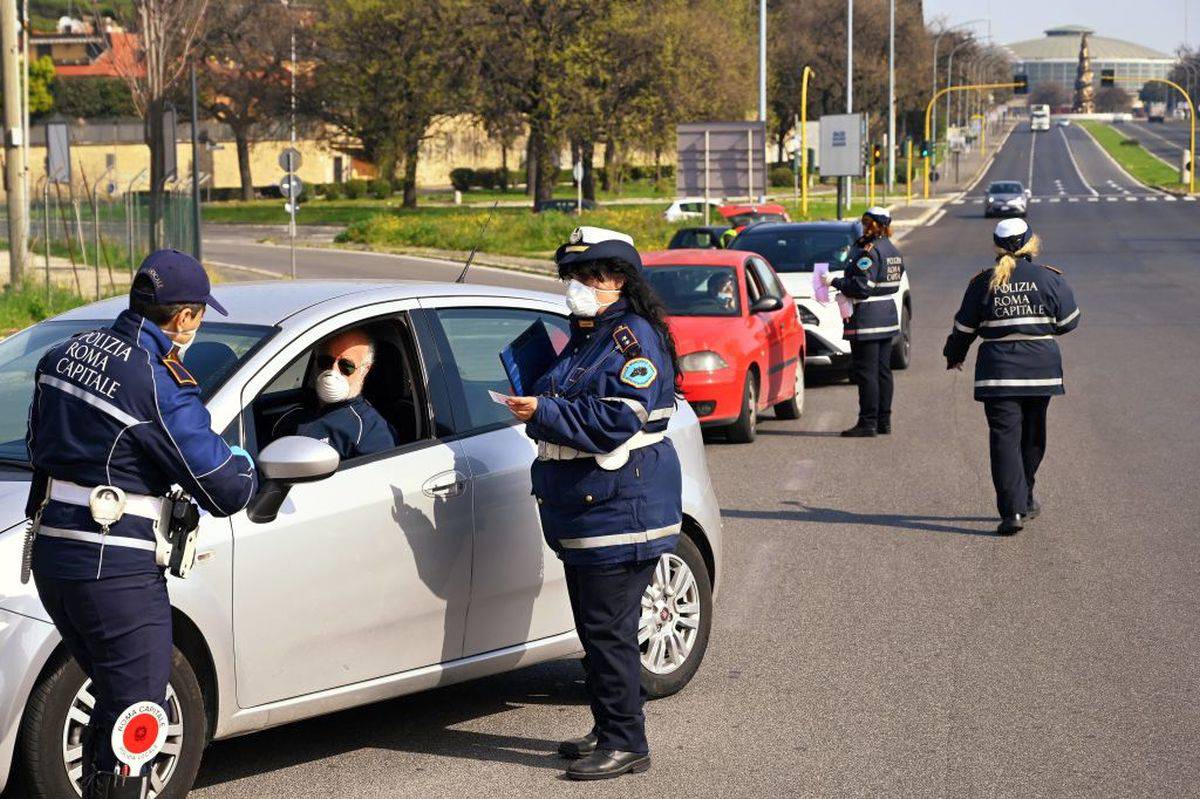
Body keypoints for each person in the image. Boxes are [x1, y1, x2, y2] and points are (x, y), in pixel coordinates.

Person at [24, 249, 258, 798]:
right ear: (184, 318)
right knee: (140, 716)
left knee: (111, 695)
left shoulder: (61, 355)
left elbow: (39, 445)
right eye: (199, 317)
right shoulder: (158, 380)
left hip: (55, 556)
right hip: (116, 564)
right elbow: (222, 486)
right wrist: (248, 467)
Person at [504, 226, 682, 781]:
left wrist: (542, 411)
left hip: (619, 509)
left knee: (609, 632)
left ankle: (628, 742)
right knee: (596, 629)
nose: (578, 285)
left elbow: (615, 422)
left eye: (589, 276)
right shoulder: (590, 334)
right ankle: (611, 726)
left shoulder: (632, 339)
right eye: (573, 276)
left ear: (618, 280)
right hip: (584, 509)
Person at [943, 219, 1080, 535]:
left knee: (1004, 440)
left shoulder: (982, 283)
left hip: (998, 374)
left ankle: (1013, 511)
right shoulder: (1049, 279)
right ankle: (1026, 495)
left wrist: (954, 355)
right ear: (1031, 244)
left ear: (997, 246)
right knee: (1033, 437)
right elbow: (1069, 321)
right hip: (1040, 372)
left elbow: (964, 329)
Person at [824, 206, 905, 437]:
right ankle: (883, 421)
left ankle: (867, 422)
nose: (862, 225)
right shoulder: (893, 250)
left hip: (868, 319)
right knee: (883, 372)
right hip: (888, 315)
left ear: (872, 225)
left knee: (866, 373)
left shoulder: (869, 252)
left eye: (864, 222)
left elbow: (862, 287)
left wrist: (834, 282)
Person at [271, 329, 395, 459]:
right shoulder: (293, 415)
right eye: (325, 361)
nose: (332, 370)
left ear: (365, 370)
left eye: (346, 366)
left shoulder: (370, 431)